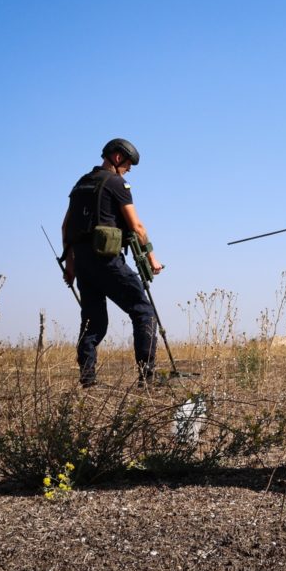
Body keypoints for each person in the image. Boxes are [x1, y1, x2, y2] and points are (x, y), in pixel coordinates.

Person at [61, 138, 164, 387]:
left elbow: (66, 227)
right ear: (117, 158)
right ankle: (147, 377)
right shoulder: (117, 183)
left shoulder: (80, 184)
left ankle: (88, 380)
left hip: (84, 264)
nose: (128, 170)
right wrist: (152, 258)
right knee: (144, 311)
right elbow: (136, 226)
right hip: (107, 260)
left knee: (93, 322)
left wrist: (70, 265)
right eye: (128, 165)